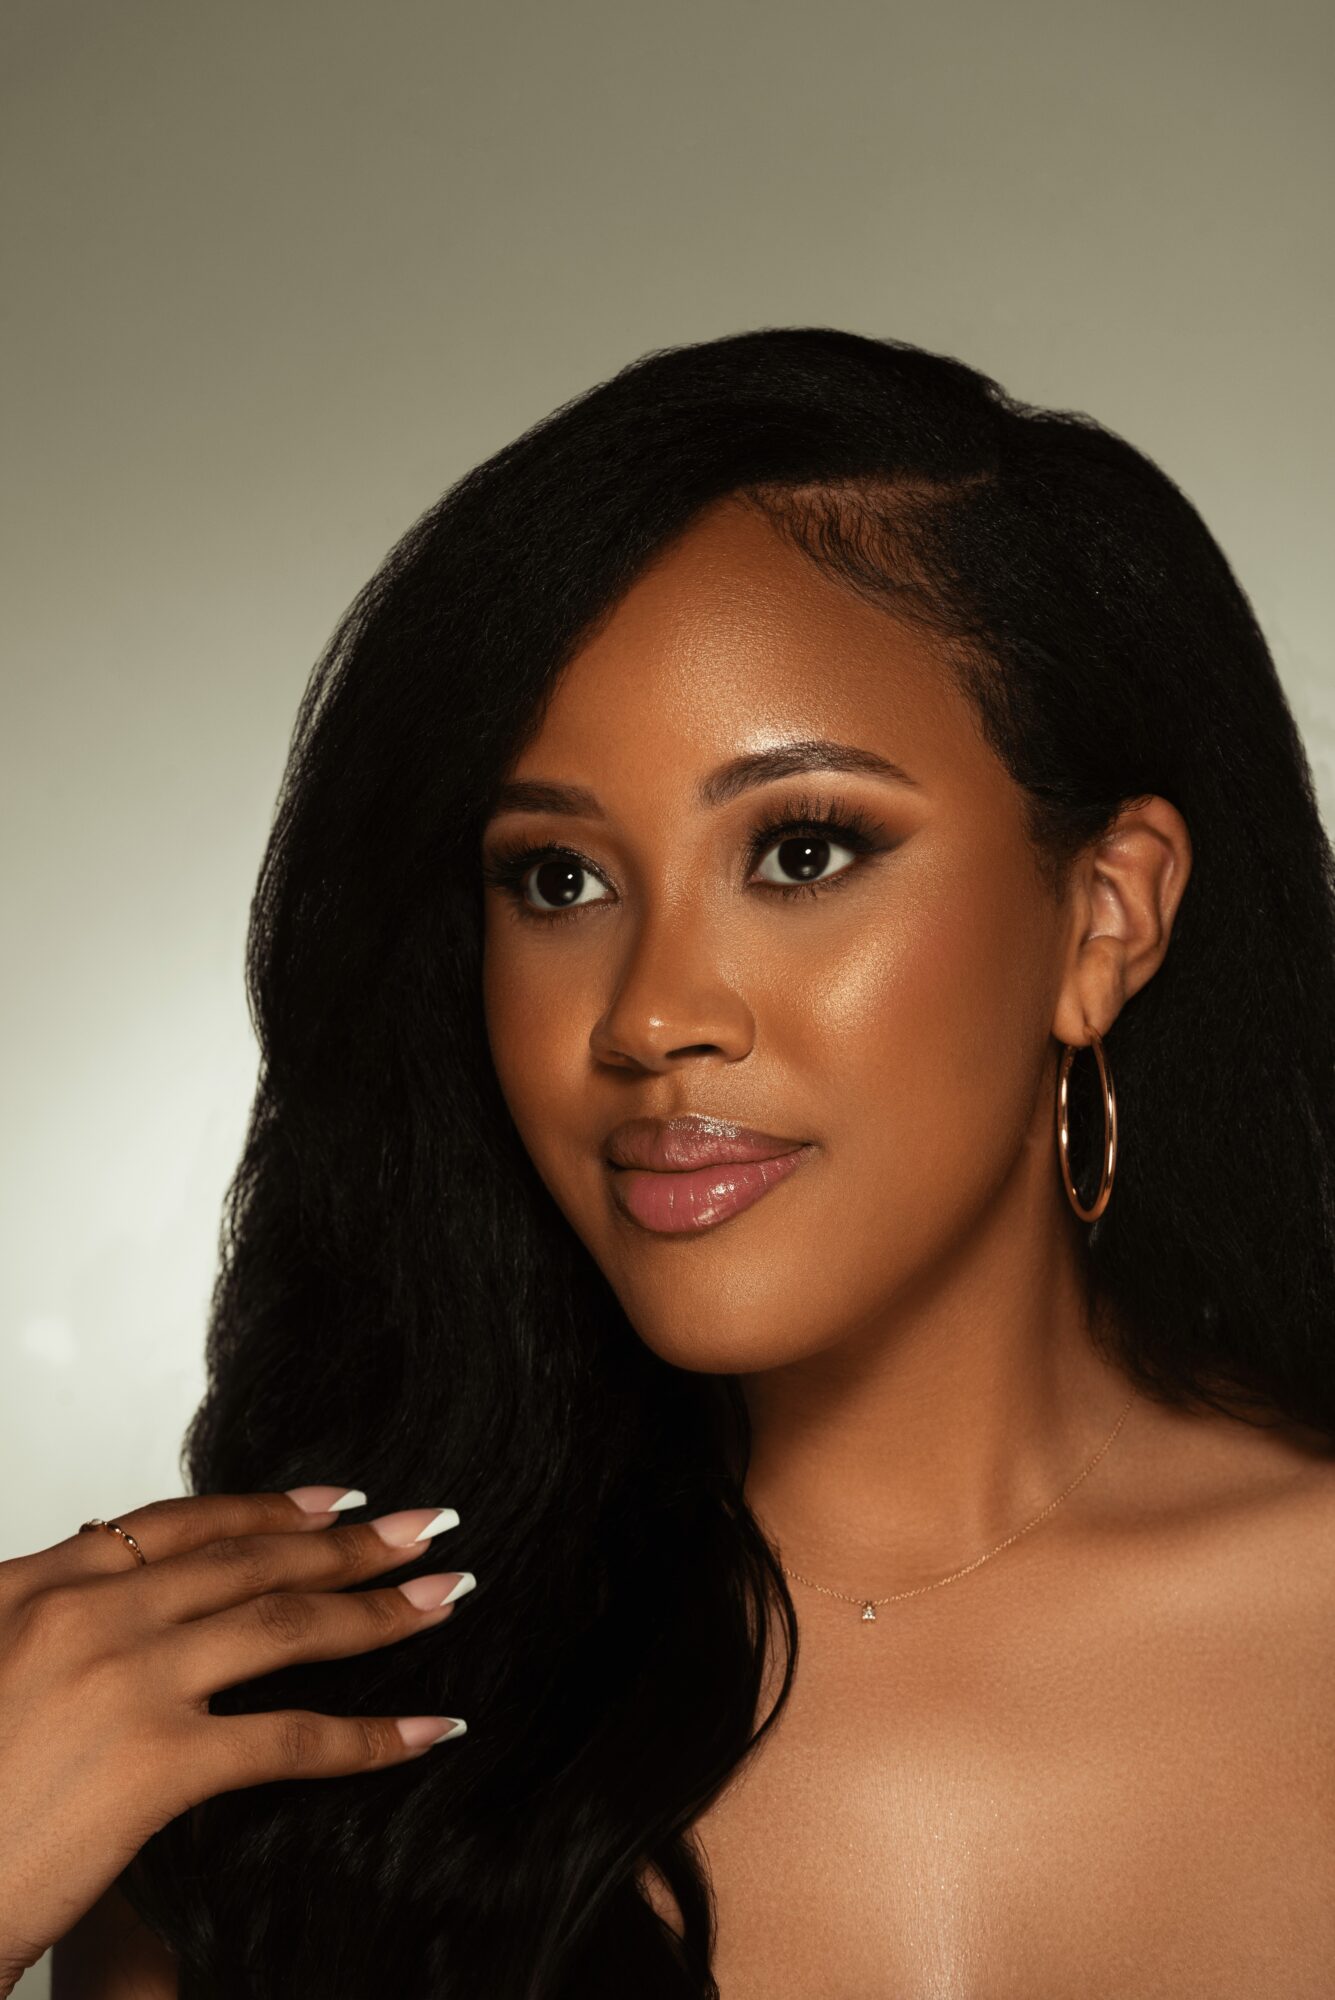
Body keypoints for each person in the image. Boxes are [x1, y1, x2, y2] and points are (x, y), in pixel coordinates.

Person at [7, 327, 1331, 1999]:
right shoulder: (280, 1740)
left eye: (802, 848)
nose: (649, 1017)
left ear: (1105, 916)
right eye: (557, 880)